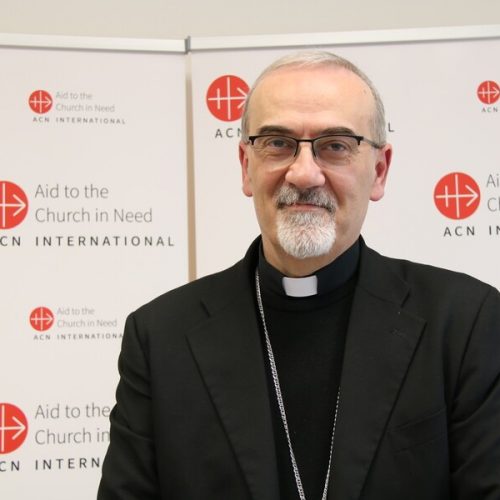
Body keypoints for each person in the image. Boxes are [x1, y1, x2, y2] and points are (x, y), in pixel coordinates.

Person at [98, 51, 500, 500]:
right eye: (277, 142)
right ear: (245, 166)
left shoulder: (464, 324)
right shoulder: (160, 337)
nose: (304, 173)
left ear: (379, 170)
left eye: (335, 145)